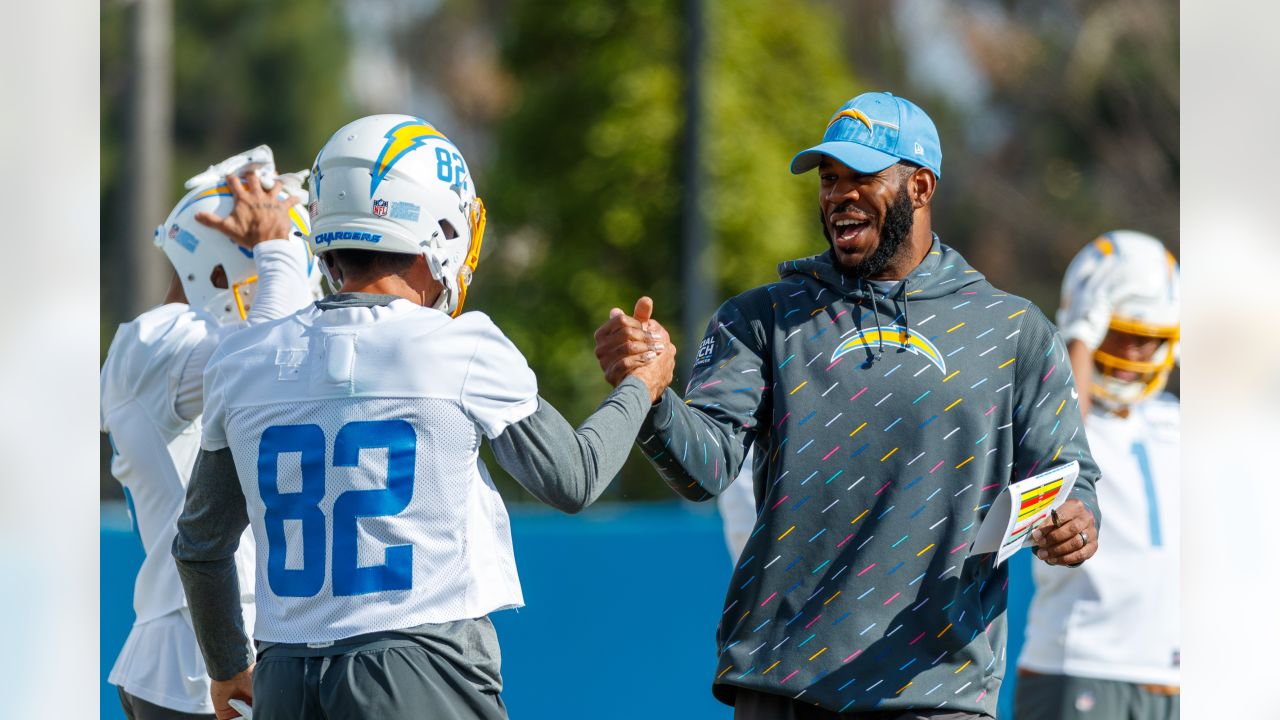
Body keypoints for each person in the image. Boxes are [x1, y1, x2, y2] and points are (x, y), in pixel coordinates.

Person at [594, 91, 1102, 719]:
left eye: (861, 177)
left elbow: (1071, 477)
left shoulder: (1014, 331)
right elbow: (705, 470)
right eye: (828, 179)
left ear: (920, 186)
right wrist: (648, 394)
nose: (838, 195)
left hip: (936, 690)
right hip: (784, 684)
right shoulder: (763, 319)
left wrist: (1075, 525)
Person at [171, 114, 674, 720]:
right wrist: (640, 387)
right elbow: (575, 478)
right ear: (437, 226)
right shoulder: (462, 347)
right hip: (418, 668)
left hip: (286, 676)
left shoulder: (243, 359)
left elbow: (201, 544)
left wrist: (227, 669)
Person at [101, 146, 322, 720]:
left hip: (215, 647)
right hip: (195, 663)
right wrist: (277, 247)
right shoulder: (155, 340)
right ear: (224, 264)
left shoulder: (186, 349)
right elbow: (271, 354)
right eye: (272, 253)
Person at [1015, 231, 1180, 719]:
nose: (1134, 354)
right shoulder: (1061, 411)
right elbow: (1065, 444)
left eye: (1149, 340)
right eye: (1121, 333)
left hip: (1170, 674)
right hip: (1080, 663)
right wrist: (1078, 341)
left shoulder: (1175, 419)